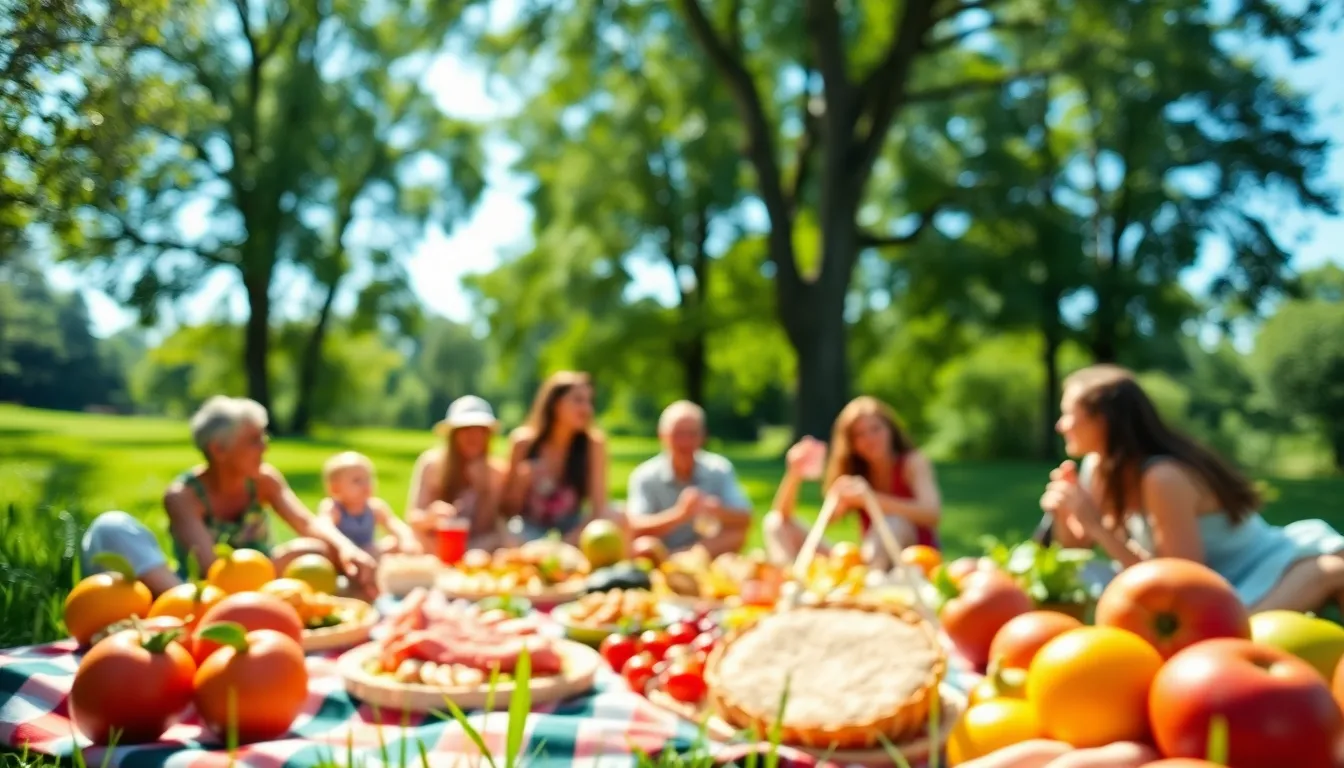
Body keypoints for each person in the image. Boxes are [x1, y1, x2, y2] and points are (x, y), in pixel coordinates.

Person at [1041, 364, 1344, 612]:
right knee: (1085, 578)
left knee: (1330, 570)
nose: (1061, 425)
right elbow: (1075, 554)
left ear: (1102, 421)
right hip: (1206, 587)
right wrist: (1065, 513)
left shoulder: (1163, 477)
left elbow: (1182, 585)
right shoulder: (1098, 466)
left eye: (1068, 414)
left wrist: (1096, 526)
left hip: (1264, 570)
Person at [80, 396, 378, 597]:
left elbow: (306, 522)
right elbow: (213, 570)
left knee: (317, 549)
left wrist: (346, 549)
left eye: (264, 437)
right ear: (218, 450)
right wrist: (281, 563)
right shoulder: (184, 496)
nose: (265, 447)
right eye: (253, 440)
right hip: (204, 591)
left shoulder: (264, 481)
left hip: (266, 583)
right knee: (111, 527)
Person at [763, 396, 942, 569]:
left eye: (876, 429)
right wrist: (794, 474)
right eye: (860, 434)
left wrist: (869, 499)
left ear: (890, 430)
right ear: (851, 443)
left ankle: (873, 579)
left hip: (915, 562)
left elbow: (931, 514)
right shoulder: (854, 475)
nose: (870, 438)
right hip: (868, 561)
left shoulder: (912, 463)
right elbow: (790, 518)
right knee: (774, 523)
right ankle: (787, 582)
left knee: (893, 522)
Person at [624, 401, 752, 557]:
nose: (685, 442)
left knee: (736, 535)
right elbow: (633, 527)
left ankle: (686, 559)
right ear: (662, 435)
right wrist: (680, 514)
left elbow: (746, 518)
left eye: (692, 434)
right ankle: (681, 560)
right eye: (677, 434)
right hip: (661, 551)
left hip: (705, 550)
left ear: (703, 436)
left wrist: (717, 511)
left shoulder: (719, 468)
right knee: (643, 546)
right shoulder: (645, 475)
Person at [501, 371, 614, 544]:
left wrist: (567, 542)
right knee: (505, 536)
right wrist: (521, 483)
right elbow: (506, 511)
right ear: (555, 404)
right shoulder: (523, 443)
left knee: (617, 518)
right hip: (529, 531)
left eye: (589, 401)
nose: (587, 409)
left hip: (573, 530)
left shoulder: (593, 445)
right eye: (578, 400)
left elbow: (598, 509)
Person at [405, 395, 512, 552]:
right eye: (466, 429)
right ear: (453, 435)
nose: (473, 436)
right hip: (435, 546)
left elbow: (492, 526)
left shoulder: (497, 472)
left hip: (478, 549)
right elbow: (413, 517)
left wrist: (484, 488)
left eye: (480, 430)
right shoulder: (432, 465)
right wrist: (431, 517)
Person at [319, 451, 420, 557]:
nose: (366, 485)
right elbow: (325, 527)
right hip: (341, 554)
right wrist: (346, 547)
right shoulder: (334, 508)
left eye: (368, 479)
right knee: (320, 549)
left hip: (367, 551)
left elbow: (395, 524)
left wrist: (406, 540)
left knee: (394, 543)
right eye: (357, 481)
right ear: (335, 488)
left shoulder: (374, 507)